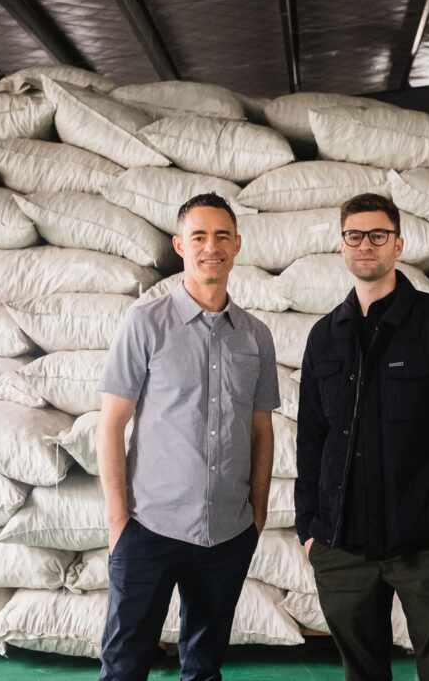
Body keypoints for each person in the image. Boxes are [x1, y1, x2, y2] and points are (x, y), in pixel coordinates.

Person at [295, 193, 429, 681]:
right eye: (354, 235)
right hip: (341, 545)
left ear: (398, 244)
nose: (366, 244)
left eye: (378, 235)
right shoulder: (325, 335)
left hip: (426, 540)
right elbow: (311, 439)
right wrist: (309, 530)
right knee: (361, 674)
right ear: (342, 246)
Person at [95, 193, 279, 681]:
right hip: (148, 528)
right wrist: (118, 523)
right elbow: (111, 424)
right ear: (180, 245)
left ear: (238, 244)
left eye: (222, 236)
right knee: (124, 665)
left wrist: (257, 515)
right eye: (198, 236)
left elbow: (261, 427)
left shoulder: (255, 336)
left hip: (228, 531)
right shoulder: (145, 324)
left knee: (204, 665)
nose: (210, 247)